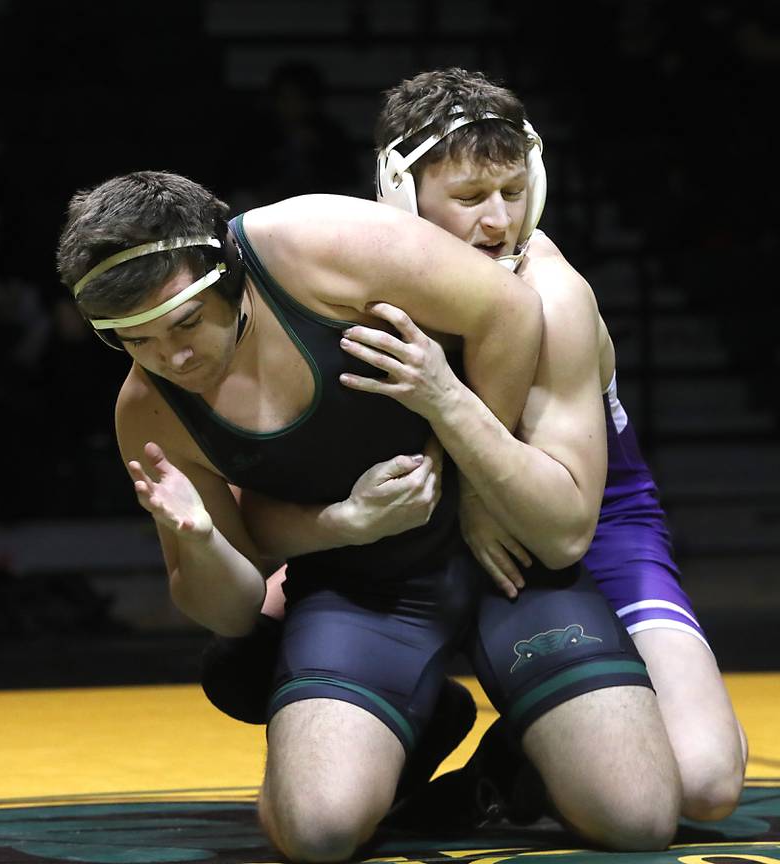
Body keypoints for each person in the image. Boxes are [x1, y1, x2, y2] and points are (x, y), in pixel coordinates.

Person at [197, 74, 698, 852]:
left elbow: (564, 534)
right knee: (294, 773)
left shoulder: (553, 297)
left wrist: (448, 407)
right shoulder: (335, 282)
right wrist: (332, 529)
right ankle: (398, 732)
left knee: (647, 815)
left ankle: (511, 766)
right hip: (383, 577)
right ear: (399, 188)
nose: (498, 222)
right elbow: (252, 512)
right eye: (470, 197)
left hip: (519, 564)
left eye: (512, 190)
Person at [56, 171, 547, 862]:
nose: (174, 358)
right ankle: (451, 743)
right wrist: (200, 542)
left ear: (229, 276)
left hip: (503, 552)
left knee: (634, 815)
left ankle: (535, 746)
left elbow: (514, 311)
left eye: (186, 322)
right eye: (136, 342)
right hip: (371, 590)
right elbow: (232, 613)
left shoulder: (315, 243)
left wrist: (478, 491)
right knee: (312, 826)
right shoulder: (148, 411)